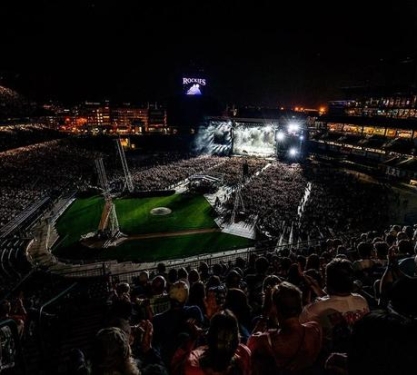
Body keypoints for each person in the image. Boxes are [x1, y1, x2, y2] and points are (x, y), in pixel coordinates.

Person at [299, 258, 369, 358]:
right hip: (361, 356)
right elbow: (336, 301)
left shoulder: (314, 310)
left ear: (328, 281)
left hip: (331, 362)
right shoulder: (361, 300)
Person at [247, 281, 322, 375]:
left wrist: (265, 314)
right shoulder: (315, 329)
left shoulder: (266, 341)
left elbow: (249, 348)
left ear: (274, 308)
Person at [171, 309, 251, 375]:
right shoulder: (243, 355)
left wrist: (192, 339)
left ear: (209, 335)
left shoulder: (193, 364)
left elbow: (176, 367)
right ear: (236, 338)